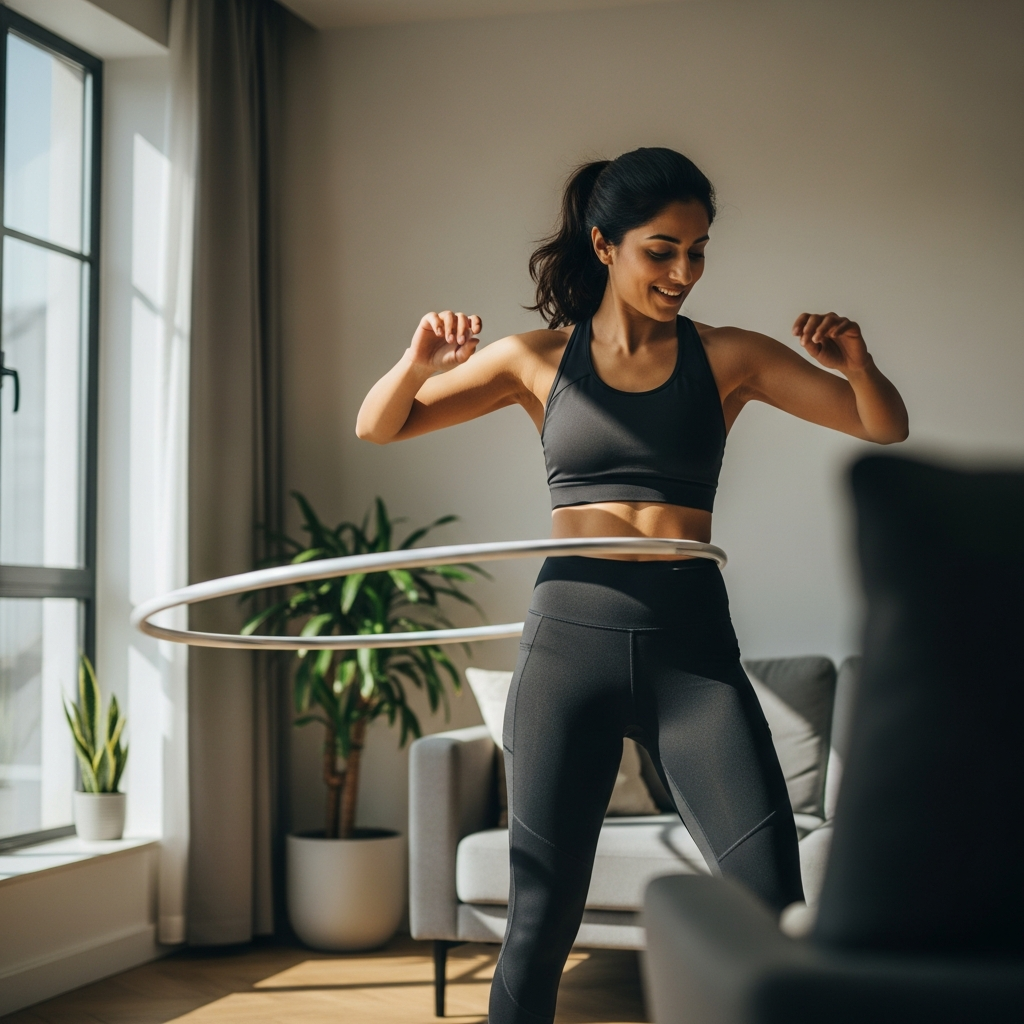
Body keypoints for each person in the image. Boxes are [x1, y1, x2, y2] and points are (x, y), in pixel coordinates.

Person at [356, 147, 908, 1024]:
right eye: (663, 250)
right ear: (605, 244)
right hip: (568, 644)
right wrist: (416, 363)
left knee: (769, 903)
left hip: (693, 652)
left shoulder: (730, 356)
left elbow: (881, 424)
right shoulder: (533, 358)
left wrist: (856, 358)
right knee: (538, 922)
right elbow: (380, 425)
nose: (684, 271)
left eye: (699, 250)